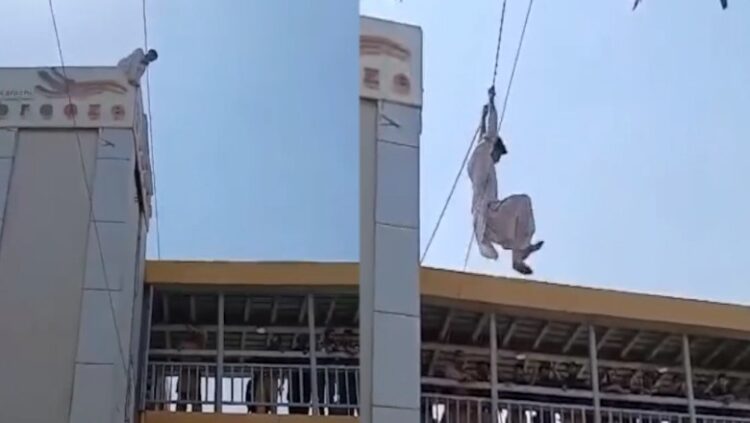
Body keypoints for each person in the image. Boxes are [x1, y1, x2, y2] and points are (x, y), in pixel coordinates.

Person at [467, 87, 543, 275]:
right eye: (499, 154)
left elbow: (483, 137)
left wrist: (482, 117)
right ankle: (518, 254)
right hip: (490, 213)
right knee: (523, 202)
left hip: (487, 222)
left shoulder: (481, 161)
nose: (499, 159)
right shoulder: (484, 153)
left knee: (520, 212)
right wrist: (492, 102)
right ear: (494, 148)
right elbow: (489, 134)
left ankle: (519, 253)